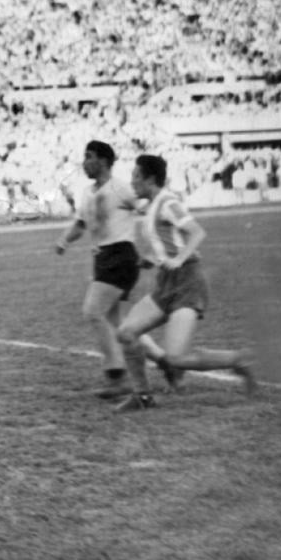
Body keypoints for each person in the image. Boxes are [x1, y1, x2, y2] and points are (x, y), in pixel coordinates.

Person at [113, 154, 256, 411]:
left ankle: (239, 359)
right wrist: (152, 260)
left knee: (177, 357)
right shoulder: (152, 205)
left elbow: (197, 232)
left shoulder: (167, 201)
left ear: (150, 179)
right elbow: (169, 241)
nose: (132, 181)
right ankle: (142, 396)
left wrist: (178, 258)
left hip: (188, 281)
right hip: (166, 282)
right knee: (126, 332)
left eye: (136, 176)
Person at [54, 141, 174, 399]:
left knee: (92, 311)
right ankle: (165, 362)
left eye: (89, 157)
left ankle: (117, 376)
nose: (84, 162)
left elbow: (151, 207)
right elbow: (81, 223)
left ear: (104, 161)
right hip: (102, 258)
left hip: (121, 255)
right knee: (117, 323)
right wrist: (64, 240)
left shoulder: (121, 188)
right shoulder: (87, 192)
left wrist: (156, 248)